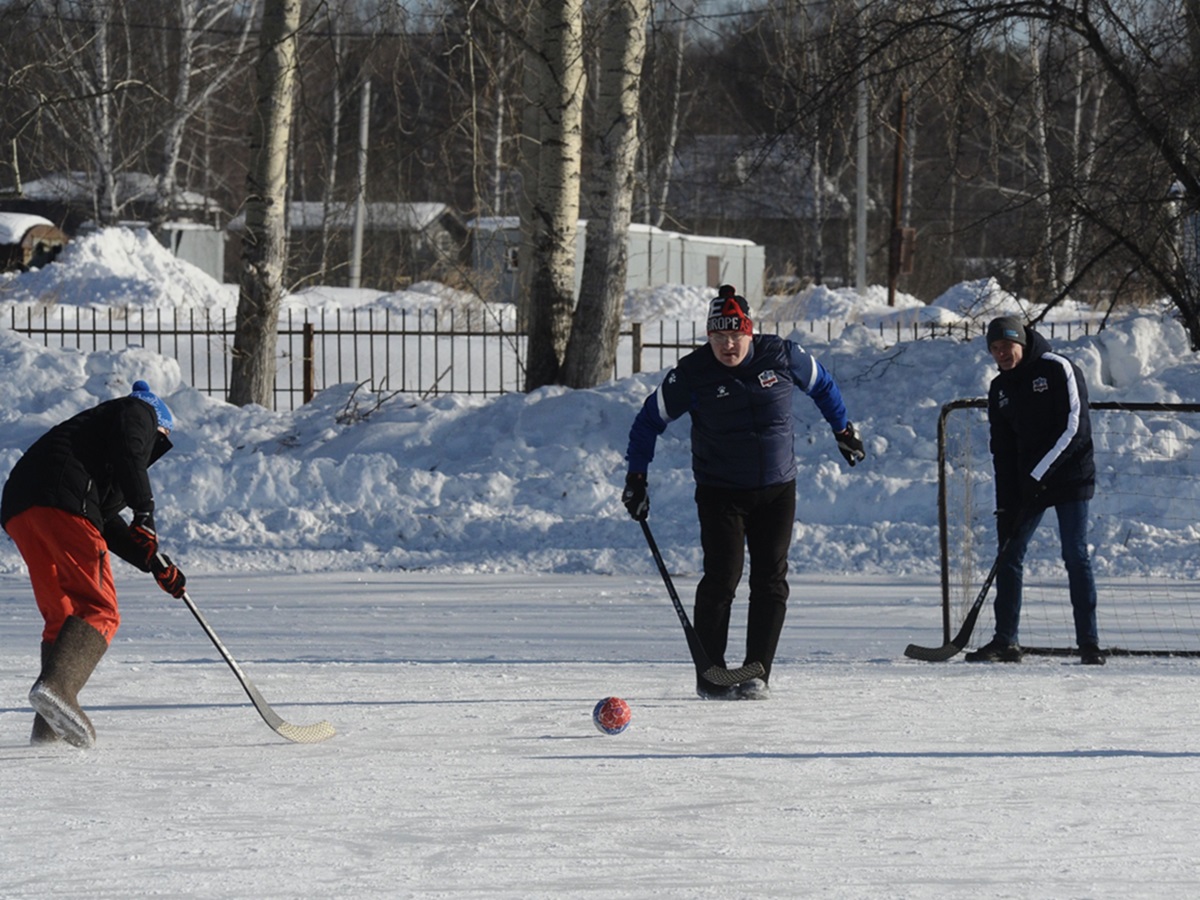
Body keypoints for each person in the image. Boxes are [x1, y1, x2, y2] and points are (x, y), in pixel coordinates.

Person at [621, 285, 865, 700]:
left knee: (771, 578)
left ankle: (757, 672)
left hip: (777, 488)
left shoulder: (783, 355)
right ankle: (711, 673)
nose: (728, 345)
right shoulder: (692, 374)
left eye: (735, 336)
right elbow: (648, 422)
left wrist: (842, 430)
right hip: (721, 492)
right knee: (722, 577)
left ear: (750, 333)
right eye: (719, 337)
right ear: (709, 337)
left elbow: (823, 386)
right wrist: (637, 478)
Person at [1, 379, 188, 748]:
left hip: (22, 509)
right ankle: (58, 688)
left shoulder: (91, 442)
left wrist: (154, 562)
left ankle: (48, 732)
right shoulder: (138, 411)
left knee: (63, 616)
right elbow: (131, 453)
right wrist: (145, 512)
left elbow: (104, 519)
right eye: (160, 438)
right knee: (100, 608)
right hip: (62, 502)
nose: (157, 444)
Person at [966, 316, 1104, 665]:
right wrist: (1006, 503)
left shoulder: (1058, 368)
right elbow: (1003, 449)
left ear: (1022, 343)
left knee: (1074, 554)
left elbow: (1075, 428)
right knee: (1010, 553)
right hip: (1030, 481)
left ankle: (1089, 642)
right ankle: (1005, 641)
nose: (1001, 354)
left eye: (1006, 346)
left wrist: (1038, 474)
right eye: (994, 349)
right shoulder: (1000, 389)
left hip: (1071, 476)